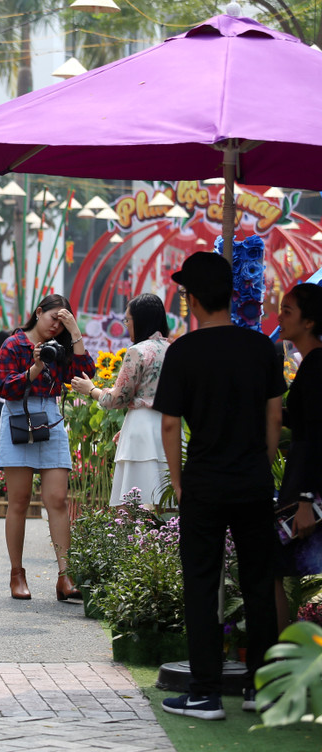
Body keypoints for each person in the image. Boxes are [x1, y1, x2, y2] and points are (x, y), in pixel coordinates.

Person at [153, 251, 283, 721]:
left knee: (202, 585)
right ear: (231, 293)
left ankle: (205, 693)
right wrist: (261, 463)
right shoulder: (260, 347)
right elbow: (274, 415)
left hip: (204, 484)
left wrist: (180, 482)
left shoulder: (183, 351)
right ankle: (261, 688)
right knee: (258, 583)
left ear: (191, 299)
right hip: (251, 481)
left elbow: (170, 425)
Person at [0, 294, 94, 601]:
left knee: (58, 500)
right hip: (18, 417)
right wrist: (36, 366)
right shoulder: (13, 345)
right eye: (53, 318)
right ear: (38, 312)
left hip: (49, 418)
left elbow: (84, 374)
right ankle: (17, 574)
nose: (56, 326)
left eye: (62, 322)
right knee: (20, 501)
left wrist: (74, 333)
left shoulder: (62, 347)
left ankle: (65, 577)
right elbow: (5, 388)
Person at [70, 294, 171, 507]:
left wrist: (92, 390)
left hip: (141, 432)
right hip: (169, 429)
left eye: (128, 320)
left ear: (140, 320)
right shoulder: (173, 349)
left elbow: (117, 398)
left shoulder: (138, 351)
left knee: (135, 507)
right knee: (166, 506)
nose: (126, 325)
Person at [275, 282, 322, 631]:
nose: (280, 317)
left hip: (310, 497)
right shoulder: (310, 365)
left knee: (270, 567)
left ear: (309, 321)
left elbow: (314, 434)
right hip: (306, 491)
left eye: (288, 310)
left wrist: (305, 499)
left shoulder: (316, 366)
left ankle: (285, 658)